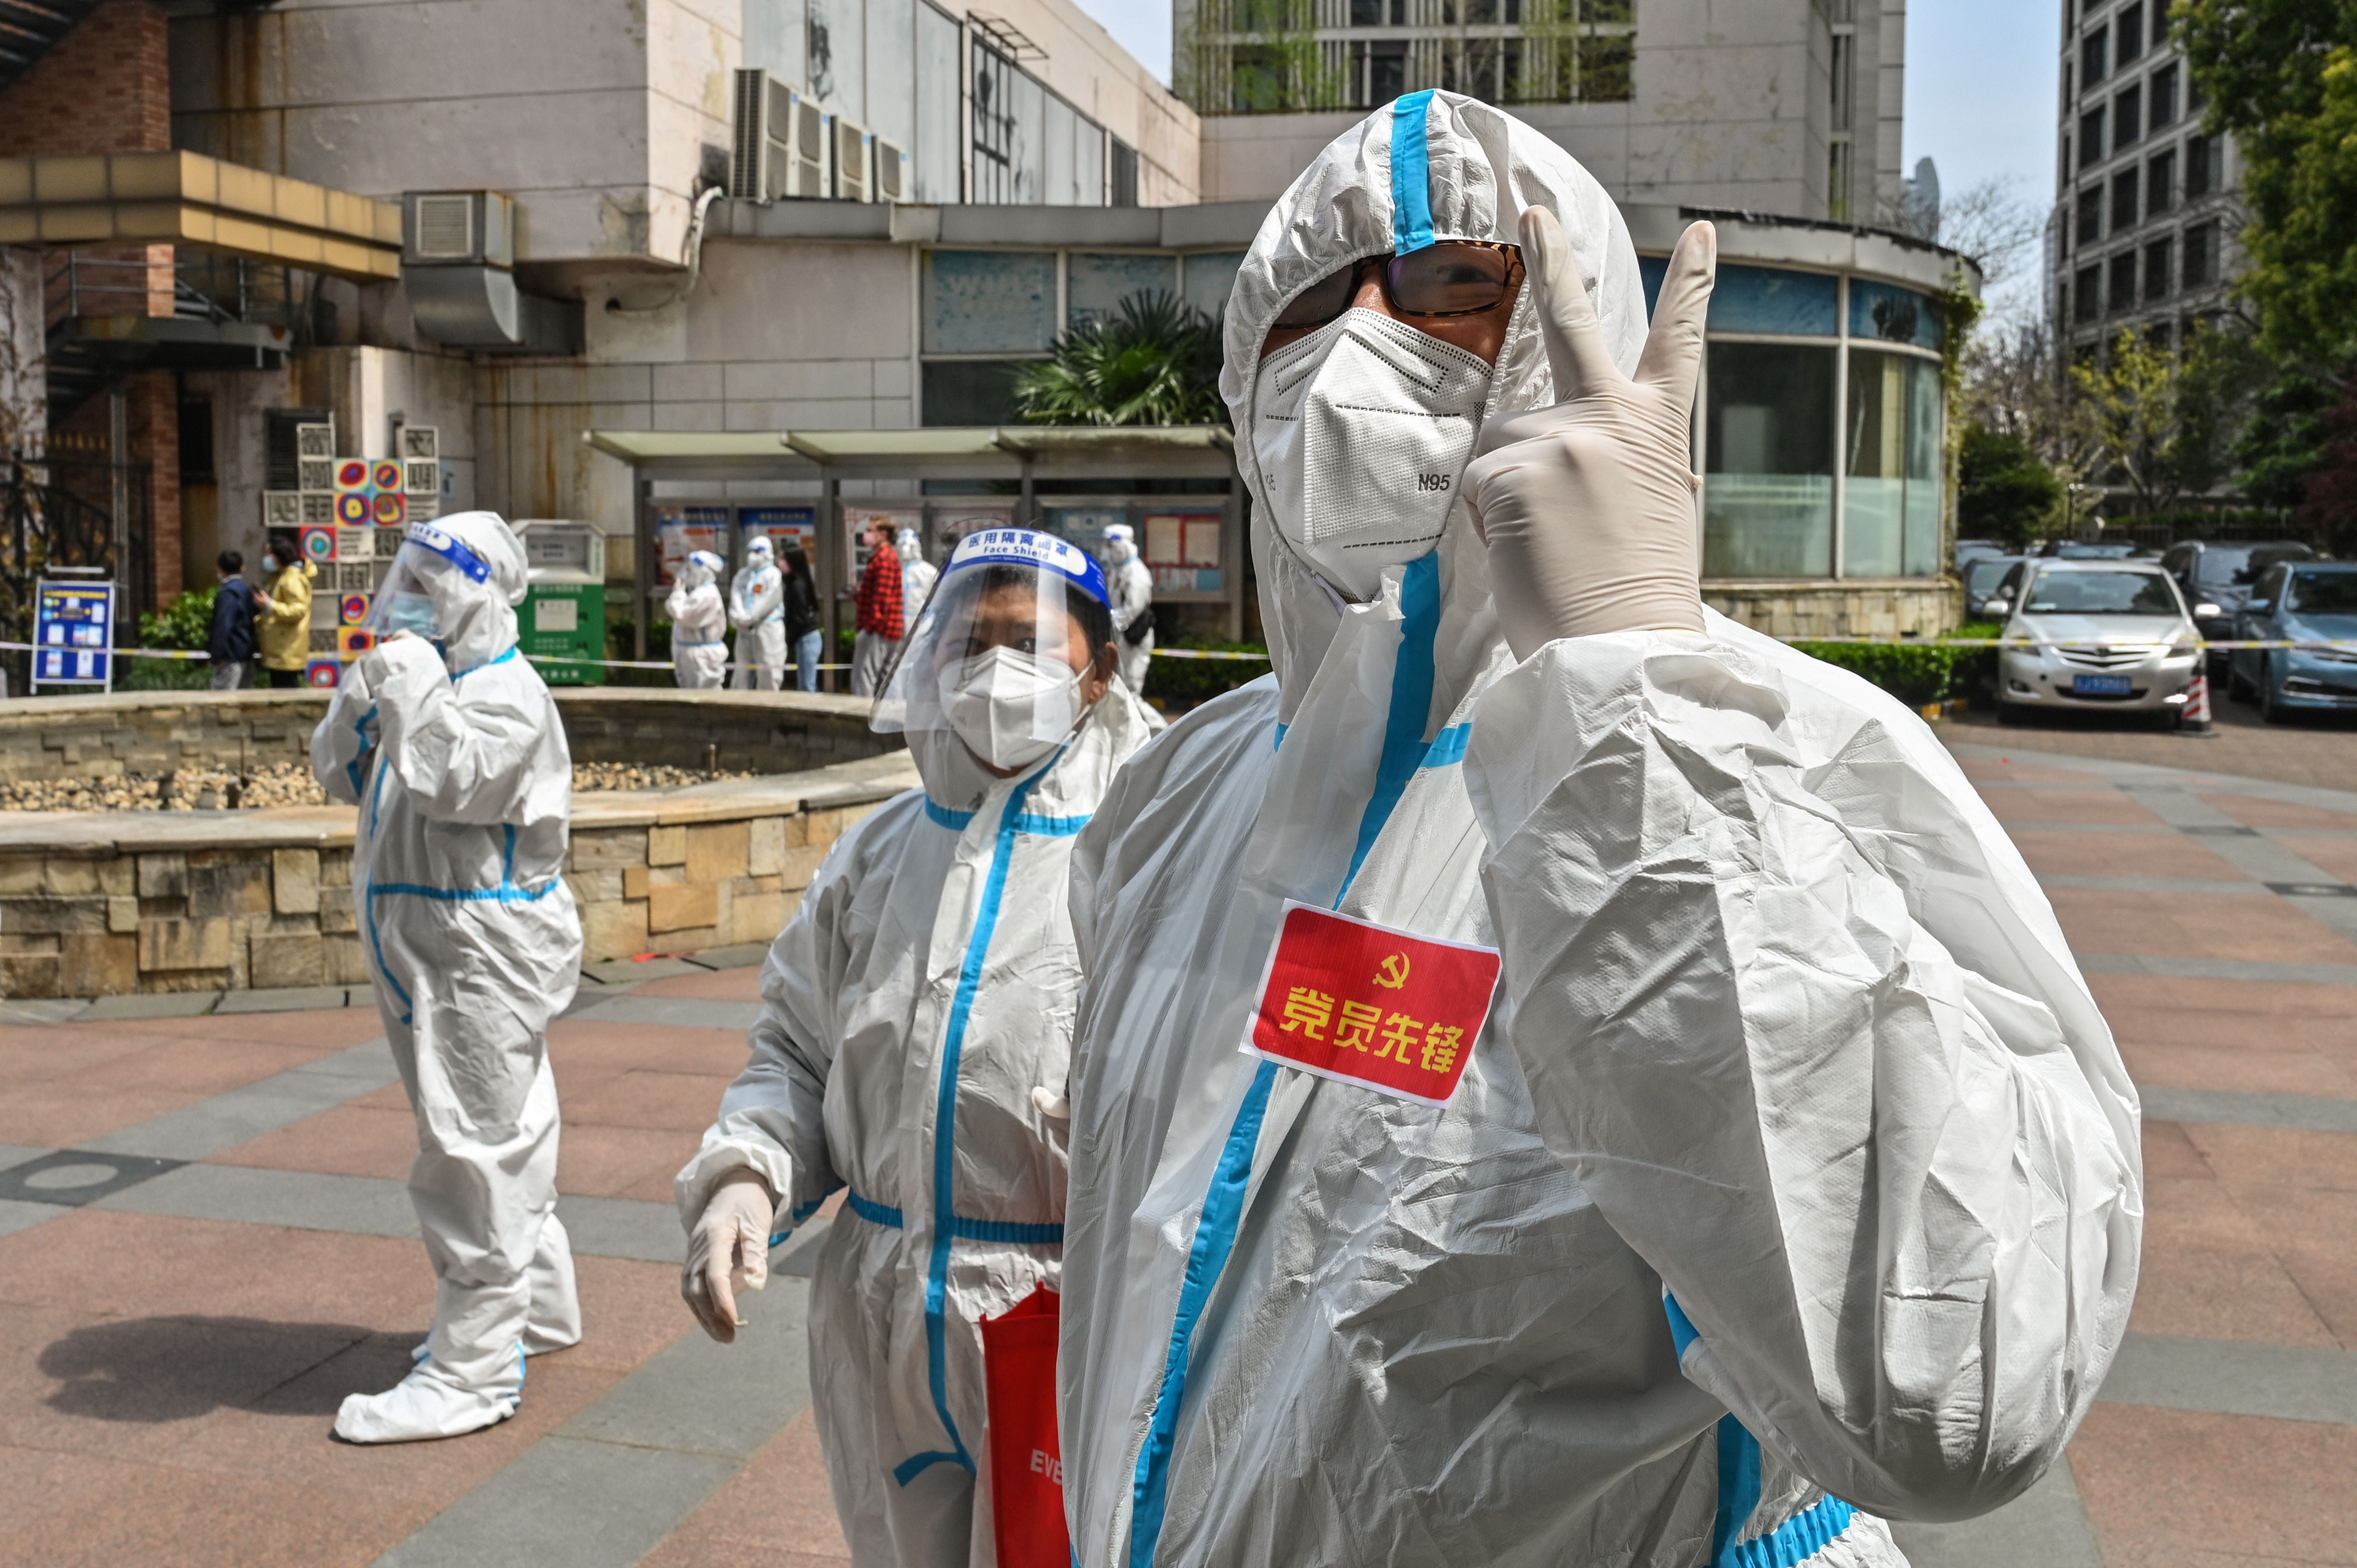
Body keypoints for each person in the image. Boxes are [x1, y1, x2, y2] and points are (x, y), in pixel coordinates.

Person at [1055, 92, 2143, 1568]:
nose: (1360, 342)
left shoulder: (1782, 755)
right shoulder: (1181, 793)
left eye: (1448, 287)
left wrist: (1628, 706)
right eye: (1309, 306)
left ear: (1564, 331)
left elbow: (1950, 1388)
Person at [674, 528, 1156, 1568]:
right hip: (881, 1306)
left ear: (1100, 668)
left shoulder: (1145, 846)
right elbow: (798, 1050)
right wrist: (749, 1179)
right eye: (968, 642)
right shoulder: (882, 853)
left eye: (1027, 641)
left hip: (1060, 1317)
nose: (992, 670)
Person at [311, 511, 585, 1444]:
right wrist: (359, 702)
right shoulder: (428, 681)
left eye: (437, 580)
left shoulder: (508, 692)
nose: (419, 597)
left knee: (476, 1147)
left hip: (480, 948)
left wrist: (414, 687)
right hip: (419, 934)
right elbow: (346, 777)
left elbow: (451, 778)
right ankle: (536, 1308)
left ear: (486, 586)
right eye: (411, 577)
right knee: (493, 1123)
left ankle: (472, 1371)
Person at [1097, 523, 1157, 712]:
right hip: (1122, 637)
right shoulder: (1118, 570)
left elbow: (1134, 608)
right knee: (1119, 690)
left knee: (1131, 694)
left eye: (1111, 544)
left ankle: (1159, 731)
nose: (1108, 549)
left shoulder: (1136, 572)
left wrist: (1111, 621)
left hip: (1133, 638)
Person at [257, 533, 317, 688]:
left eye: (269, 553)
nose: (266, 558)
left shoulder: (292, 579)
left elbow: (298, 611)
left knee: (286, 697)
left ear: (278, 556)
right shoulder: (281, 577)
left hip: (286, 652)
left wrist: (269, 605)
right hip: (281, 651)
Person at [851, 516, 903, 696]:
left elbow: (883, 599)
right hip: (889, 630)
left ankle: (861, 719)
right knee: (884, 682)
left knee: (863, 679)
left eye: (870, 530)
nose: (866, 535)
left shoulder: (884, 559)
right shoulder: (886, 558)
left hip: (879, 631)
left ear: (883, 535)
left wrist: (870, 628)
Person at [729, 534, 787, 690]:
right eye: (751, 551)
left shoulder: (773, 575)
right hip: (744, 630)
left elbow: (769, 600)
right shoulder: (743, 575)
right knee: (742, 669)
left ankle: (767, 705)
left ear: (767, 553)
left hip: (767, 629)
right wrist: (740, 617)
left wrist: (750, 618)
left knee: (769, 669)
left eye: (757, 551)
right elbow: (736, 596)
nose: (752, 555)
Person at [668, 549, 729, 689]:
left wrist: (678, 595)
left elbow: (684, 616)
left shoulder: (707, 595)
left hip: (702, 657)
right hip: (691, 654)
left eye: (691, 569)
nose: (686, 572)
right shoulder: (698, 592)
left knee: (706, 700)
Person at [207, 551, 261, 690]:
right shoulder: (246, 591)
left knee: (222, 702)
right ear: (242, 568)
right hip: (247, 654)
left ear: (219, 569)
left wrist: (216, 657)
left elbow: (224, 625)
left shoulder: (228, 593)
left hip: (231, 657)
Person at [781, 538, 823, 692]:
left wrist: (787, 641)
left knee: (807, 685)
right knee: (804, 684)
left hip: (807, 638)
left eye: (784, 559)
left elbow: (800, 619)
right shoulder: (795, 583)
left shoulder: (797, 586)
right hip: (805, 639)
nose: (781, 562)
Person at [898, 526, 938, 629]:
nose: (905, 549)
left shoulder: (928, 572)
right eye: (902, 545)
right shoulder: (895, 571)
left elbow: (938, 597)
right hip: (897, 624)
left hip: (922, 622)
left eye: (909, 546)